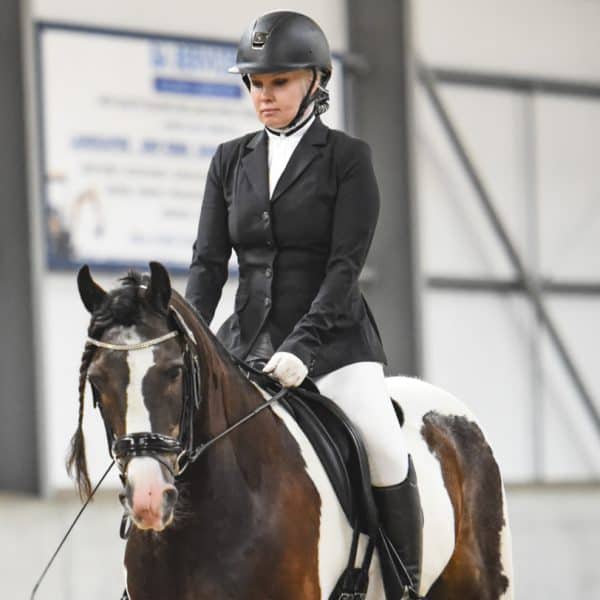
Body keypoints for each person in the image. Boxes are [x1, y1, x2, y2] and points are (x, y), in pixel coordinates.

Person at [185, 10, 422, 593]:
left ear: (315, 82)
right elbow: (209, 264)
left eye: (280, 83)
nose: (265, 97)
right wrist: (194, 337)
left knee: (384, 448)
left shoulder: (348, 159)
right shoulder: (229, 161)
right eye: (256, 85)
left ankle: (404, 584)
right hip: (244, 346)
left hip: (335, 343)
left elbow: (346, 267)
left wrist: (303, 347)